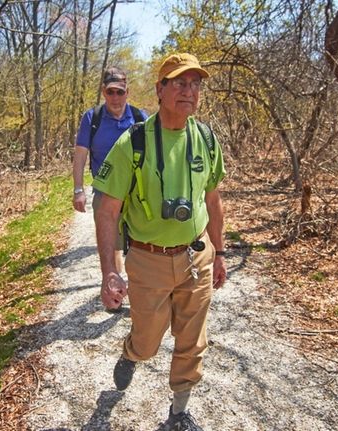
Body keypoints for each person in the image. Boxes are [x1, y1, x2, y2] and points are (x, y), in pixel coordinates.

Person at [92, 53, 227, 431]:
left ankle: (179, 411)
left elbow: (214, 202)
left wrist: (219, 254)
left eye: (196, 83)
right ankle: (132, 353)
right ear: (160, 89)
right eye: (180, 83)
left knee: (192, 340)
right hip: (148, 260)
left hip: (196, 256)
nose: (190, 91)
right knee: (149, 341)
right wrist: (109, 272)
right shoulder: (132, 143)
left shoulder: (205, 138)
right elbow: (107, 212)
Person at [72, 66, 148, 304]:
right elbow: (81, 154)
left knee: (140, 245)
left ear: (127, 92)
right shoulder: (91, 119)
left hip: (136, 194)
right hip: (105, 193)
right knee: (112, 244)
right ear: (104, 92)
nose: (115, 98)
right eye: (110, 92)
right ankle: (115, 289)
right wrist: (78, 190)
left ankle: (139, 290)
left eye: (120, 92)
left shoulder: (139, 117)